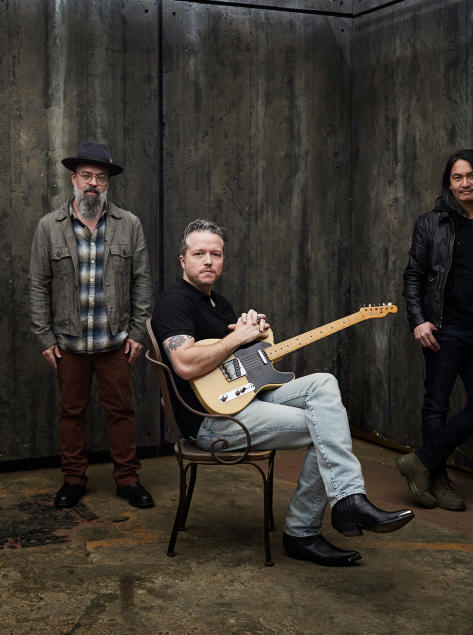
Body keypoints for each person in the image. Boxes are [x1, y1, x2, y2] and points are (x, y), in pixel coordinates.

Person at [152, 219, 413, 567]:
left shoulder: (219, 303)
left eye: (216, 253)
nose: (208, 260)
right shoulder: (175, 303)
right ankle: (305, 531)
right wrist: (237, 338)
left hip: (244, 399)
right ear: (183, 260)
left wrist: (257, 336)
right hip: (212, 422)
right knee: (325, 425)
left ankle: (347, 499)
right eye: (199, 253)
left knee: (324, 385)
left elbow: (239, 363)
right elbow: (184, 363)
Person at [29, 142, 154, 510]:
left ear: (108, 184)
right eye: (86, 176)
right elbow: (38, 283)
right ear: (74, 179)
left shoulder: (128, 224)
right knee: (71, 413)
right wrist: (44, 336)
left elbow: (141, 281)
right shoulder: (49, 227)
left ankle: (128, 479)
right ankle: (73, 479)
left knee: (121, 412)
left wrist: (137, 333)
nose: (93, 184)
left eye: (100, 178)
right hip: (69, 344)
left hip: (115, 342)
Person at [398, 148, 473, 511]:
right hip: (444, 329)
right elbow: (415, 275)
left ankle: (420, 461)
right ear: (448, 183)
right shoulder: (431, 223)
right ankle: (437, 479)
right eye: (457, 177)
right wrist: (418, 320)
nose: (464, 183)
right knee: (436, 404)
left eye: (471, 176)